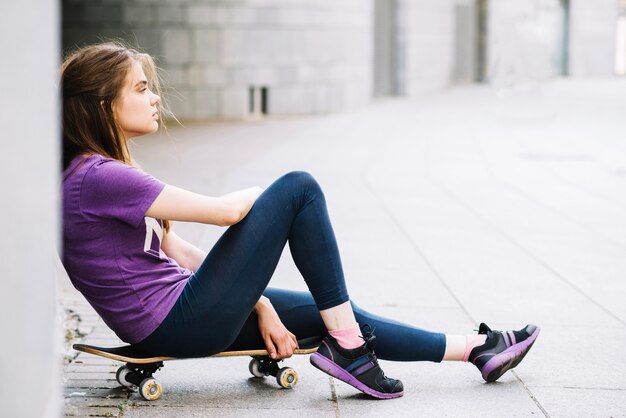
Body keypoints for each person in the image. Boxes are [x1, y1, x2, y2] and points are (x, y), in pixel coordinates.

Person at [61, 42, 540, 400]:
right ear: (104, 105)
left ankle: (476, 348)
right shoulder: (98, 177)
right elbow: (226, 212)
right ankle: (351, 351)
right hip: (176, 322)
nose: (155, 100)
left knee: (330, 311)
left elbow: (177, 252)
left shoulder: (100, 174)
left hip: (185, 312)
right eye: (142, 89)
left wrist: (259, 303)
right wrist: (273, 198)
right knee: (298, 187)